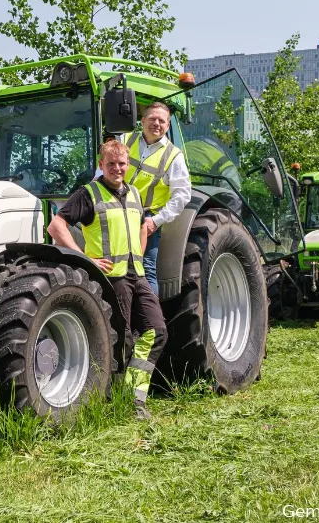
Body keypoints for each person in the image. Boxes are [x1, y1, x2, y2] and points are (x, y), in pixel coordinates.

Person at [47, 140, 168, 420]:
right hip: (111, 279)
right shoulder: (89, 193)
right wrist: (85, 259)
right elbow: (56, 226)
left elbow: (141, 228)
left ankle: (133, 395)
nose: (117, 168)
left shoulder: (135, 194)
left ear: (128, 165)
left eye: (122, 163)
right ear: (101, 165)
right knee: (121, 339)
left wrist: (137, 252)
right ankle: (121, 403)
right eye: (111, 163)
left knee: (156, 331)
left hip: (136, 275)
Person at [117, 101, 191, 295]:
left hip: (146, 219)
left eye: (161, 121)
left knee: (146, 270)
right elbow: (104, 170)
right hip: (117, 211)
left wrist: (155, 222)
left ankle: (150, 323)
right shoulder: (125, 140)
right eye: (152, 119)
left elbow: (182, 195)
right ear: (142, 121)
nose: (156, 123)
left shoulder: (174, 156)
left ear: (167, 125)